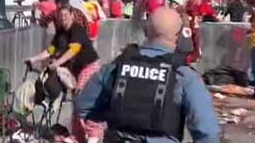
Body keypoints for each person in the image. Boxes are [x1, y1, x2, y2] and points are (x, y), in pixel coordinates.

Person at [75, 8, 220, 143]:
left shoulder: (116, 67)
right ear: (179, 35)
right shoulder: (184, 75)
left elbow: (83, 105)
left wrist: (114, 116)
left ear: (145, 30)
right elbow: (207, 131)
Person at [27, 5, 103, 142]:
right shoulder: (61, 32)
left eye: (66, 15)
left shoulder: (77, 29)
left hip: (89, 66)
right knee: (76, 101)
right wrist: (35, 59)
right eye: (61, 16)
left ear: (72, 15)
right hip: (76, 70)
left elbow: (73, 50)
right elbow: (51, 49)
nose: (63, 18)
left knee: (82, 100)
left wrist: (57, 63)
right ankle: (77, 136)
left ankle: (93, 133)